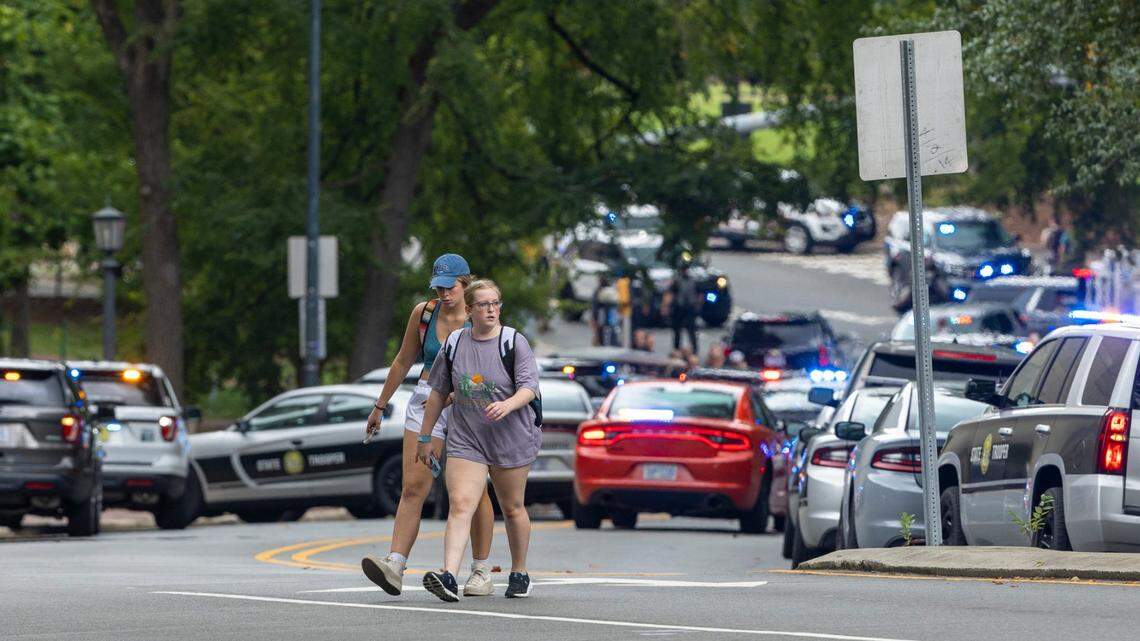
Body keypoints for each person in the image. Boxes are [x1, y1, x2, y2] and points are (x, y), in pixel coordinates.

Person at [360, 254, 496, 598]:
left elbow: (490, 367)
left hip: (468, 404)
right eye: (439, 286)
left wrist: (458, 393)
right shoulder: (424, 313)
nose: (444, 293)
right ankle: (395, 564)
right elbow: (404, 359)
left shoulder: (479, 313)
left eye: (450, 286)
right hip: (425, 399)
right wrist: (380, 406)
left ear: (466, 282)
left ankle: (480, 571)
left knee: (471, 492)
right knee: (412, 486)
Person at [418, 280, 542, 602]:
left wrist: (508, 404)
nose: (491, 310)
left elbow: (529, 387)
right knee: (461, 505)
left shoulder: (513, 342)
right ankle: (448, 575)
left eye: (495, 303)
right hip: (467, 437)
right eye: (484, 304)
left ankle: (519, 572)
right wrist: (425, 435)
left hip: (510, 436)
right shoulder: (456, 343)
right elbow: (438, 392)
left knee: (512, 507)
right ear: (470, 310)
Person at [664, 263, 700, 354]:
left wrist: (698, 304)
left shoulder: (693, 280)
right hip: (679, 308)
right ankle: (676, 349)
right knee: (677, 331)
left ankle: (694, 349)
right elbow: (671, 293)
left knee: (691, 330)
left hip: (690, 308)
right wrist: (666, 306)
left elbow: (699, 293)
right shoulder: (677, 281)